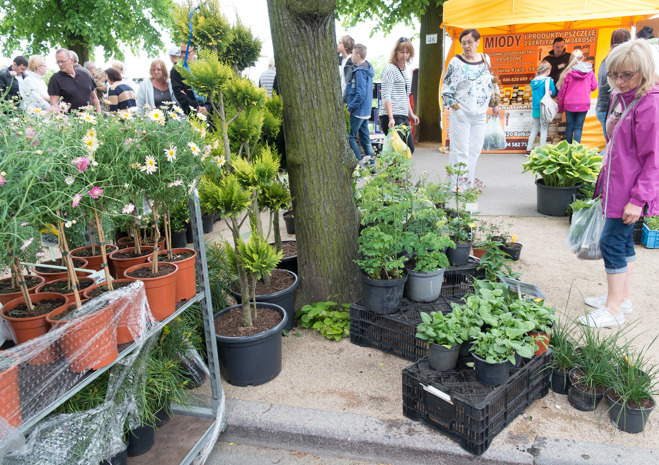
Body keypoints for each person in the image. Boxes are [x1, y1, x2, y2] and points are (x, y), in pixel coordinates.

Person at [580, 39, 659, 328]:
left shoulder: (650, 104)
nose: (620, 81)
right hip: (617, 184)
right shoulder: (623, 96)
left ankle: (613, 309)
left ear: (645, 70)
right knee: (623, 241)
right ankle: (621, 299)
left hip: (629, 190)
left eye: (627, 75)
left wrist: (638, 200)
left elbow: (654, 159)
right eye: (614, 75)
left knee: (611, 241)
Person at [441, 29, 499, 186]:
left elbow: (491, 82)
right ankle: (457, 185)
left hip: (480, 113)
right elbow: (446, 91)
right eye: (463, 43)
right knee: (460, 151)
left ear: (477, 42)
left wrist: (494, 104)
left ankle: (468, 182)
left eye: (469, 42)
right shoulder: (456, 62)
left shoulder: (485, 58)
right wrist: (457, 110)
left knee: (474, 150)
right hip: (462, 113)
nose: (466, 46)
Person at [379, 37, 419, 154]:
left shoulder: (404, 70)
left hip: (402, 115)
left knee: (409, 149)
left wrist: (411, 114)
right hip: (391, 115)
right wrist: (391, 118)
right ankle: (391, 167)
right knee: (398, 151)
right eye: (402, 52)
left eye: (407, 52)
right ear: (396, 52)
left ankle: (394, 167)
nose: (404, 55)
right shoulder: (390, 69)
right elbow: (386, 95)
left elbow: (405, 95)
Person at [596, 29, 632, 139]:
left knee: (612, 141)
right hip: (609, 109)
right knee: (613, 142)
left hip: (604, 108)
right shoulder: (615, 61)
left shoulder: (607, 60)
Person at [557, 50, 597, 143]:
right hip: (583, 103)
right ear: (583, 58)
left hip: (569, 104)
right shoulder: (590, 72)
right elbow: (594, 87)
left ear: (571, 59)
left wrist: (560, 107)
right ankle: (576, 149)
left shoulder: (567, 73)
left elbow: (562, 92)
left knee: (569, 127)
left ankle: (568, 149)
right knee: (579, 127)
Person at [345, 43, 375, 162]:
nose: (351, 55)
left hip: (358, 110)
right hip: (366, 110)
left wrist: (350, 108)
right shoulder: (367, 69)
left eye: (352, 53)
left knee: (350, 135)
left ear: (357, 55)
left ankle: (359, 163)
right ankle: (372, 165)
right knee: (364, 138)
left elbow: (360, 93)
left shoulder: (360, 72)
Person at [525, 62, 557, 155]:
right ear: (548, 70)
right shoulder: (548, 80)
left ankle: (528, 150)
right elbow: (553, 92)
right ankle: (542, 150)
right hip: (544, 107)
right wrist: (550, 92)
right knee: (543, 128)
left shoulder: (533, 81)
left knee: (534, 128)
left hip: (535, 107)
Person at [170, 44, 210, 115]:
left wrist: (207, 107)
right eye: (181, 52)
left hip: (207, 108)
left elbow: (212, 88)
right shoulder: (176, 70)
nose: (183, 55)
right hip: (190, 110)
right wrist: (196, 107)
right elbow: (179, 94)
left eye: (186, 52)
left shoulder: (203, 66)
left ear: (194, 52)